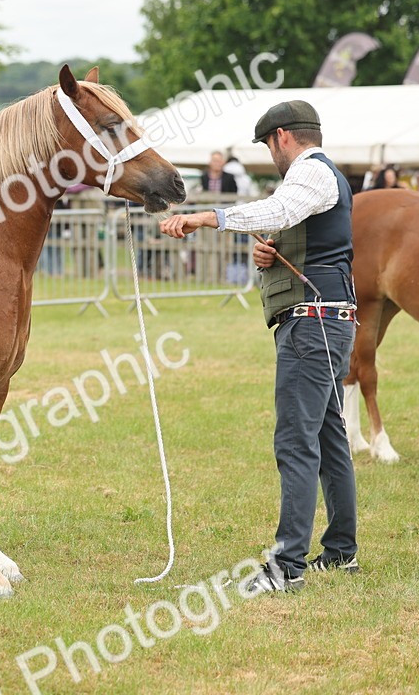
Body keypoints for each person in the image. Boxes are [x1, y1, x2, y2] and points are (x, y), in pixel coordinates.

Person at [159, 100, 359, 594]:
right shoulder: (317, 177)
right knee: (329, 439)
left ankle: (287, 565)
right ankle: (340, 554)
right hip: (326, 321)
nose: (272, 155)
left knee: (295, 442)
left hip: (312, 325)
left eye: (270, 145)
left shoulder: (311, 174)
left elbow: (279, 210)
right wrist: (273, 250)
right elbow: (300, 231)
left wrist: (209, 216)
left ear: (283, 136)